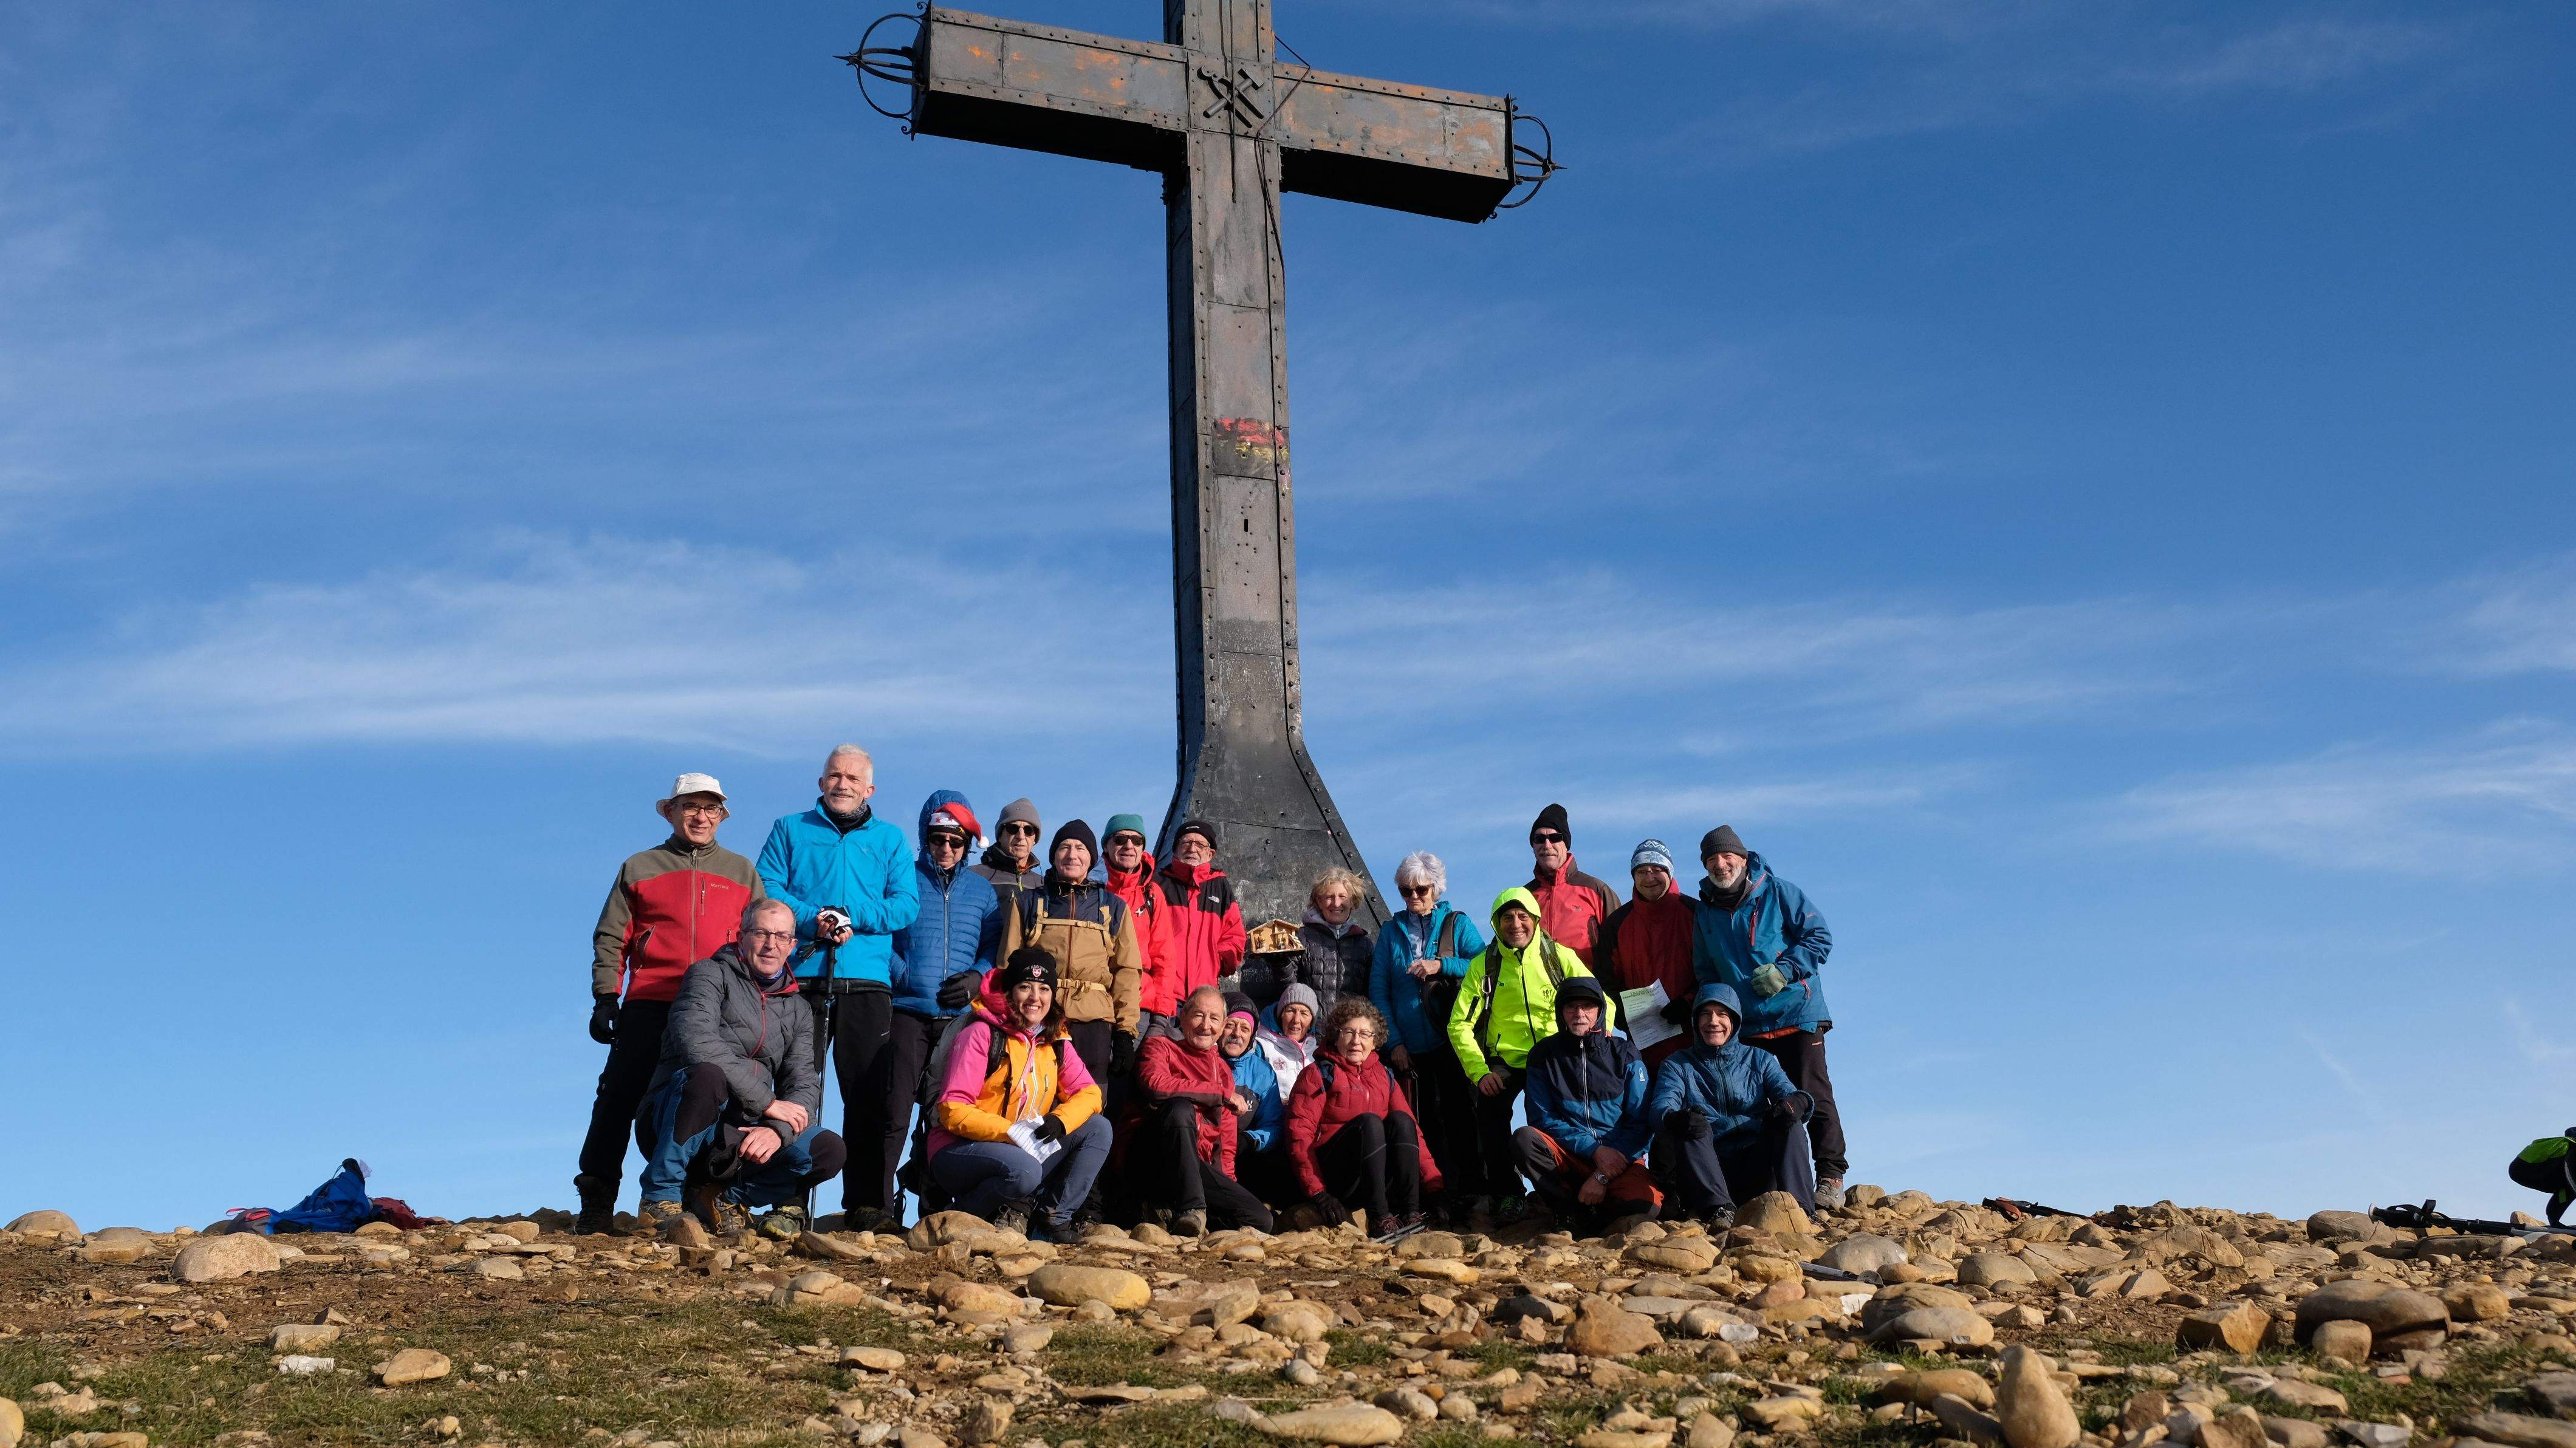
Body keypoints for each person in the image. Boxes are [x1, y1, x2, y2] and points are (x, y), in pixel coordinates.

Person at [577, 773, 766, 1234]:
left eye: (711, 808)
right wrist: (606, 995)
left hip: (717, 1009)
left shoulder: (743, 872)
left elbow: (761, 939)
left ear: (722, 816)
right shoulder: (639, 866)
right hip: (650, 1000)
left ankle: (702, 1195)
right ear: (671, 812)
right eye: (690, 807)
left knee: (713, 1098)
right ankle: (597, 1199)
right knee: (618, 1097)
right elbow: (611, 935)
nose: (701, 817)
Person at [756, 744, 921, 1232]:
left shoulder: (890, 840)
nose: (842, 784)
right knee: (795, 1089)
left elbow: (905, 905)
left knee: (868, 1094)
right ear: (821, 781)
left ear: (870, 789)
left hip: (868, 982)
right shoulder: (790, 829)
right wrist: (816, 919)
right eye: (834, 776)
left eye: (852, 778)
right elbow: (768, 887)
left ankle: (867, 1204)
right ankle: (787, 1200)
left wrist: (855, 916)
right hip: (803, 977)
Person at [635, 900, 846, 1238]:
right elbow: (696, 1042)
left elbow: (805, 1082)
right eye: (761, 933)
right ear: (742, 935)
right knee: (707, 1074)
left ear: (793, 945)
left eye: (781, 936)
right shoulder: (707, 974)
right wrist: (767, 1103)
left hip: (742, 1133)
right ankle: (660, 1197)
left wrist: (778, 1130)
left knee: (829, 1150)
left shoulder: (799, 1009)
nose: (770, 944)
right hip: (678, 1117)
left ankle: (723, 1200)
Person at [1689, 825, 1845, 1209]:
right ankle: (1773, 1186)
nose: (1720, 864)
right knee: (1762, 1108)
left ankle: (1830, 1177)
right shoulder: (1705, 911)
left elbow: (1820, 936)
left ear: (1743, 858)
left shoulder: (1778, 891)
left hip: (1797, 1013)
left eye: (1727, 856)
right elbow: (1706, 969)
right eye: (1712, 859)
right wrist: (1719, 1008)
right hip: (1750, 1027)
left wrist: (1786, 971)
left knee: (1813, 1094)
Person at [925, 946, 1112, 1240]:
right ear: (1010, 992)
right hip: (958, 1149)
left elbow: (1089, 1093)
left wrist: (1060, 1120)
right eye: (1025, 987)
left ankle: (1054, 1218)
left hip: (1022, 1145)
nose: (1035, 998)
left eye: (1044, 989)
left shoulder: (1055, 1040)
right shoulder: (981, 1033)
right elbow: (952, 1109)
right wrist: (1011, 1132)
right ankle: (962, 1214)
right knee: (1024, 1170)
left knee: (1098, 1128)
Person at [1448, 886, 1603, 1226]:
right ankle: (1509, 1196)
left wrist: (1601, 1034)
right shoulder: (1483, 966)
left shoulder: (1558, 957)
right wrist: (1479, 1072)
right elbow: (1459, 1024)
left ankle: (1567, 1191)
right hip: (1506, 1060)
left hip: (1555, 1057)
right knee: (1490, 1116)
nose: (1515, 924)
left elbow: (1598, 998)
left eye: (1522, 917)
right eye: (1507, 917)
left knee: (1560, 1122)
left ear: (1535, 919)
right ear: (1496, 923)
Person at [887, 791, 1004, 1218]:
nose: (948, 849)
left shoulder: (982, 891)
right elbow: (885, 936)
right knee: (896, 1112)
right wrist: (904, 975)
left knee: (947, 1113)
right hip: (908, 1010)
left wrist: (977, 977)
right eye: (939, 839)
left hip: (958, 1018)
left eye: (957, 841)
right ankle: (878, 1206)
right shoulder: (904, 879)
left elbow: (994, 945)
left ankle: (934, 1206)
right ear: (926, 836)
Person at [1369, 850, 1488, 1229]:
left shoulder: (1458, 923)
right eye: (1406, 891)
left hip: (1452, 1039)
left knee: (1461, 1118)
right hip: (1410, 1048)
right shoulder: (1391, 931)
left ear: (1436, 887)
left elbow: (1485, 965)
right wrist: (1395, 1043)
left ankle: (1472, 1193)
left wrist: (1442, 965)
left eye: (1421, 889)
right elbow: (1380, 990)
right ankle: (1433, 1198)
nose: (1414, 897)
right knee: (1422, 1124)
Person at [995, 820, 1146, 1096]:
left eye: (1080, 848)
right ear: (1053, 855)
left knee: (1087, 1101)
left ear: (1091, 857)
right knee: (1035, 1097)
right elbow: (1008, 965)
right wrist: (1005, 1018)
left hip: (1095, 1024)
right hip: (1040, 1017)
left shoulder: (1113, 907)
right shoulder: (1029, 902)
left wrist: (1125, 1032)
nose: (1072, 854)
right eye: (1064, 847)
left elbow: (1127, 971)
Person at [1648, 983, 1815, 1225]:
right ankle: (1718, 1210)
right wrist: (1675, 1118)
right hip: (1708, 1171)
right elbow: (1662, 1107)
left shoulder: (1761, 1059)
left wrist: (1797, 1103)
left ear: (1735, 1020)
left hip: (1758, 1168)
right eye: (1705, 1014)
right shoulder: (1677, 1065)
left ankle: (1801, 1211)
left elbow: (1791, 1094)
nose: (1713, 1021)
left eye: (1722, 1014)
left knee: (1789, 1120)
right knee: (1691, 1124)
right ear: (1695, 1021)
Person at [1120, 985, 1274, 1235]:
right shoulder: (1159, 1047)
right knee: (1180, 1109)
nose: (1206, 1025)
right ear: (1183, 1018)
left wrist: (1228, 1187)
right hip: (1151, 1157)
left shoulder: (1222, 1070)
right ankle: (1188, 1209)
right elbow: (1157, 1086)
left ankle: (1176, 1216)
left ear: (1222, 1025)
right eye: (1199, 1015)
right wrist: (1220, 1094)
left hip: (1194, 1167)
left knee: (1259, 1220)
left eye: (1214, 1018)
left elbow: (1225, 1142)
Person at [1513, 976, 1659, 1234]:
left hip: (1621, 1158)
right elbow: (1541, 1118)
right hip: (1570, 1156)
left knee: (1646, 1207)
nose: (1579, 1014)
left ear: (1600, 1011)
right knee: (1525, 1139)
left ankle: (1591, 1211)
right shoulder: (1543, 1055)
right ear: (1561, 1012)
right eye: (1571, 1007)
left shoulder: (1625, 1053)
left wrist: (1602, 1174)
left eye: (1588, 1007)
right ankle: (1567, 1211)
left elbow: (1642, 1122)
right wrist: (1593, 1150)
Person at [1286, 999, 1440, 1241]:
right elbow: (1299, 1136)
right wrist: (1318, 1193)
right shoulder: (1319, 1073)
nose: (1356, 1040)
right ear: (1336, 1037)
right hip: (1338, 1177)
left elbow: (1413, 1133)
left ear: (1375, 1041)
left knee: (1402, 1121)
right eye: (1349, 1032)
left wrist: (1434, 1185)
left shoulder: (1385, 1076)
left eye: (1365, 1034)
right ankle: (1379, 1218)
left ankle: (1412, 1213)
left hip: (1376, 1177)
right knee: (1369, 1122)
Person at [1594, 839, 1699, 1071]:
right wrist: (1623, 1016)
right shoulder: (1617, 923)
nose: (1649, 877)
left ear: (1670, 872)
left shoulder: (1696, 913)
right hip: (1644, 1043)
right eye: (1641, 871)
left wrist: (1689, 1003)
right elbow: (1606, 980)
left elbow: (1715, 970)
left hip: (1695, 1037)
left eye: (1657, 869)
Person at [1149, 817, 1248, 1015]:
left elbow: (1234, 935)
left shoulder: (1220, 886)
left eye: (1200, 845)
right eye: (1186, 843)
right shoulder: (1157, 883)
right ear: (1176, 849)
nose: (1192, 849)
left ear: (1210, 853)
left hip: (1204, 996)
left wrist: (1214, 962)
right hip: (1162, 993)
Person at [1100, 814, 1177, 1037]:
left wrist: (1161, 1017)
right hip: (1096, 1004)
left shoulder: (1152, 895)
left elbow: (1164, 958)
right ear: (1106, 845)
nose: (1129, 846)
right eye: (1120, 839)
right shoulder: (1091, 889)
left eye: (1137, 840)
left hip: (1140, 1005)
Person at [1219, 992, 1293, 1206]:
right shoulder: (1206, 1060)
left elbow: (1274, 1125)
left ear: (1252, 1036)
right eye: (1231, 1025)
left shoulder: (1262, 1072)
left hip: (1243, 1152)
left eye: (1245, 1029)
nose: (1237, 1034)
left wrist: (1250, 1140)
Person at [1526, 803, 1622, 965]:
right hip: (1536, 988)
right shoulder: (1524, 897)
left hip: (1587, 987)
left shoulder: (1597, 891)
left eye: (1555, 838)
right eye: (1539, 839)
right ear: (1533, 846)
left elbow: (1621, 946)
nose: (1547, 845)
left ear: (1566, 843)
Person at [1290, 867, 1373, 1016]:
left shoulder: (1365, 945)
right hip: (1312, 1033)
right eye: (1329, 897)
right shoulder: (1301, 938)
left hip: (1350, 1034)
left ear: (1353, 901)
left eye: (1343, 897)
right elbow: (1288, 990)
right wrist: (1282, 964)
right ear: (1319, 901)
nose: (1336, 903)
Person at [971, 798, 1046, 896]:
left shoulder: (1044, 886)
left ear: (1035, 839)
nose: (1021, 836)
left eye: (1029, 830)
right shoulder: (974, 877)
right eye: (1013, 828)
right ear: (1000, 836)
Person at [1258, 983, 1320, 1096]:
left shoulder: (1318, 1054)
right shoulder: (1261, 1047)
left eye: (1304, 1013)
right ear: (1281, 1015)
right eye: (1290, 1011)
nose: (1296, 1020)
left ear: (1311, 1022)